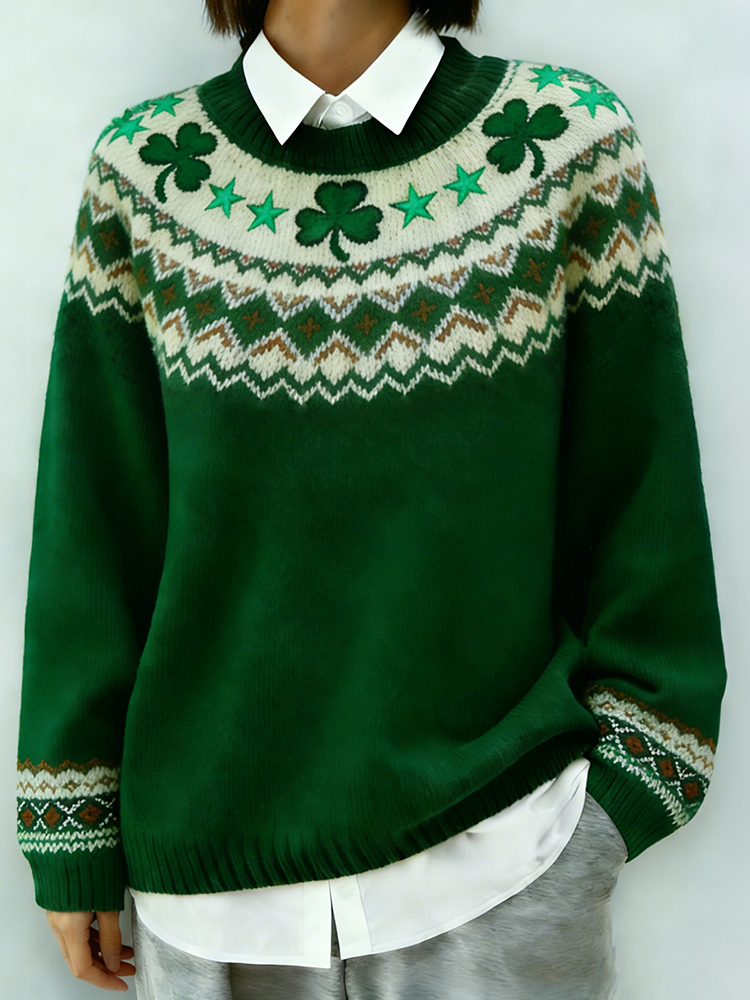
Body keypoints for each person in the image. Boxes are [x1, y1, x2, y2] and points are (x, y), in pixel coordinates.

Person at [17, 0, 727, 996]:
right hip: (210, 902)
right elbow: (94, 525)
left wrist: (619, 800)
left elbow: (641, 496)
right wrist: (69, 825)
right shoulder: (150, 173)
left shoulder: (561, 146)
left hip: (500, 867)